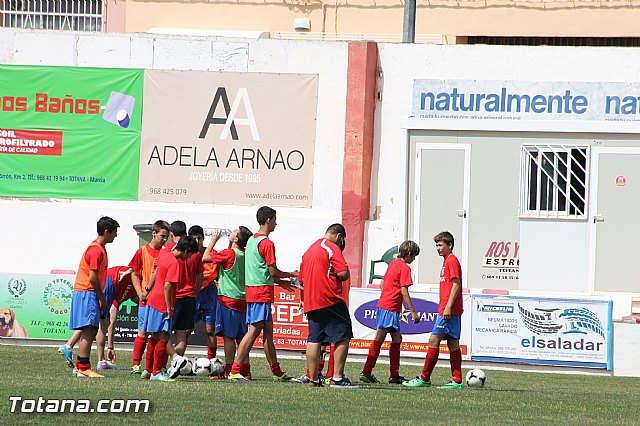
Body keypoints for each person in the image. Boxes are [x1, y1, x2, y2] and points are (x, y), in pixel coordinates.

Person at [228, 206, 297, 382]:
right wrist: (291, 274)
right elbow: (272, 271)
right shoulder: (266, 243)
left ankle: (276, 372)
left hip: (254, 289)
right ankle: (235, 370)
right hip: (261, 292)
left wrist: (280, 282)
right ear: (268, 220)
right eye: (275, 219)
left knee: (267, 332)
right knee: (254, 331)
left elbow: (261, 270)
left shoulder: (251, 240)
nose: (276, 223)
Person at [403, 231, 464, 389]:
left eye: (440, 245)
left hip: (448, 310)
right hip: (449, 309)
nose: (437, 248)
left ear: (449, 246)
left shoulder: (452, 261)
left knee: (433, 340)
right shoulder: (446, 261)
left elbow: (456, 284)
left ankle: (424, 378)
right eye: (436, 245)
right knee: (453, 343)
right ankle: (457, 380)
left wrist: (448, 306)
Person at [300, 223, 357, 388]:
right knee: (343, 334)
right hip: (329, 298)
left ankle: (313, 379)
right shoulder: (332, 247)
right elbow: (343, 274)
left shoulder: (310, 249)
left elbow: (301, 279)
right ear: (339, 236)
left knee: (314, 338)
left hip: (311, 300)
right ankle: (337, 378)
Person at [360, 240, 421, 384]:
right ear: (409, 254)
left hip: (387, 306)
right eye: (414, 257)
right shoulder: (404, 268)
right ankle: (366, 371)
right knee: (379, 340)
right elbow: (404, 290)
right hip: (389, 308)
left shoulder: (393, 264)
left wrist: (388, 294)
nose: (413, 260)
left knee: (397, 339)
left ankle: (394, 375)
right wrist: (413, 312)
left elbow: (382, 283)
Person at [68, 216, 119, 378]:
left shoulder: (97, 248)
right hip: (87, 292)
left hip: (85, 292)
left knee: (88, 329)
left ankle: (79, 366)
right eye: (114, 232)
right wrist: (102, 297)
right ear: (106, 232)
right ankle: (84, 368)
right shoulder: (96, 250)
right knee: (90, 329)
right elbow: (93, 277)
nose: (115, 236)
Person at [58, 265, 135, 370]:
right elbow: (132, 269)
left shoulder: (126, 295)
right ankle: (72, 347)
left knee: (102, 321)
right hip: (107, 281)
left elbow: (112, 321)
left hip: (107, 284)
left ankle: (74, 349)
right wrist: (110, 347)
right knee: (99, 322)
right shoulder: (136, 279)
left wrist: (111, 347)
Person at [144, 236, 198, 381]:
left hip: (153, 300)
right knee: (164, 336)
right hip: (162, 303)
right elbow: (168, 285)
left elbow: (155, 274)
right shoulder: (175, 263)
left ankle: (147, 370)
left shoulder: (166, 256)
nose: (190, 257)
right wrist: (169, 307)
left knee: (154, 336)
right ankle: (156, 372)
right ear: (186, 251)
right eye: (190, 254)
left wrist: (147, 289)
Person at [203, 226, 252, 378]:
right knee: (242, 338)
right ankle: (245, 369)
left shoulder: (229, 253)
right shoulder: (246, 254)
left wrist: (213, 240)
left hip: (227, 300)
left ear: (236, 239)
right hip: (243, 300)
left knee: (228, 337)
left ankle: (229, 368)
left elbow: (205, 257)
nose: (231, 231)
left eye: (235, 231)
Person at [128, 220, 171, 375]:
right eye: (162, 236)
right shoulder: (142, 251)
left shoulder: (167, 252)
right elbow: (133, 272)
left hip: (159, 301)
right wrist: (140, 292)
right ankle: (136, 364)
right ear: (154, 233)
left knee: (159, 334)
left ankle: (155, 367)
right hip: (146, 299)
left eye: (166, 237)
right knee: (142, 332)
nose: (164, 239)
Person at [172, 224, 203, 358]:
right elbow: (200, 277)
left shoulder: (170, 253)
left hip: (174, 297)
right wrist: (195, 293)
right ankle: (176, 364)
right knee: (182, 334)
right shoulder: (196, 255)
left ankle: (161, 366)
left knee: (162, 334)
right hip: (189, 297)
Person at [193, 225, 220, 361]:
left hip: (209, 292)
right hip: (193, 293)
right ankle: (178, 361)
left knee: (210, 330)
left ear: (203, 238)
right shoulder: (187, 254)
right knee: (185, 330)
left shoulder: (211, 253)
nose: (197, 241)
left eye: (199, 238)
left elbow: (217, 272)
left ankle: (212, 361)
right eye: (194, 238)